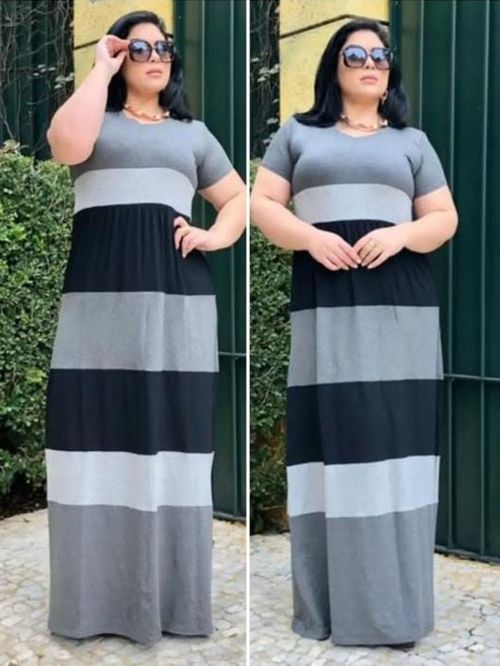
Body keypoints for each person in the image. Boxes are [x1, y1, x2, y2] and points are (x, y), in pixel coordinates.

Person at [250, 18, 458, 648]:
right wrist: (310, 238)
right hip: (327, 309)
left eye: (380, 56)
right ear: (334, 67)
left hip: (401, 310)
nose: (370, 63)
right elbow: (262, 205)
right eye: (355, 54)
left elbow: (444, 218)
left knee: (395, 450)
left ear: (390, 71)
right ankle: (330, 608)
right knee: (331, 446)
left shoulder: (413, 142)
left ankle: (395, 611)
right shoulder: (297, 133)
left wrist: (400, 235)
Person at [44, 10, 245, 646]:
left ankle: (173, 602)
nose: (155, 56)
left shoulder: (193, 134)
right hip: (96, 306)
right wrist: (99, 70)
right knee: (92, 438)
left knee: (172, 441)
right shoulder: (94, 119)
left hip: (177, 306)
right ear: (120, 53)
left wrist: (214, 236)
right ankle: (91, 604)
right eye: (140, 47)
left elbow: (237, 199)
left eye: (163, 46)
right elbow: (64, 146)